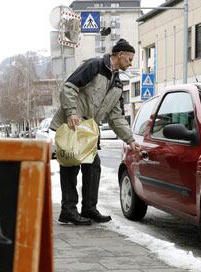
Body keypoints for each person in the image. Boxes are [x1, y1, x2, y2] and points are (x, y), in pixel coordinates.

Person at [50, 38, 142, 225]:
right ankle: (68, 210)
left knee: (93, 167)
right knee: (71, 165)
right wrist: (71, 112)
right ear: (120, 55)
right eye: (129, 59)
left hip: (88, 131)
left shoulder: (117, 83)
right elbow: (69, 87)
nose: (131, 63)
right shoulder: (95, 66)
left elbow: (116, 117)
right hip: (74, 125)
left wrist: (130, 140)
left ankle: (89, 209)